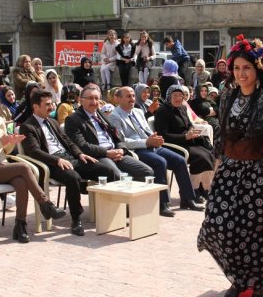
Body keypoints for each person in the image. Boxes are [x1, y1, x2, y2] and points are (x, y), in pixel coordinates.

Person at [197, 35, 263, 297]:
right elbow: (222, 141)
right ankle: (237, 278)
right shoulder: (227, 97)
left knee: (256, 231)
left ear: (258, 69)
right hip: (229, 171)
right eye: (236, 68)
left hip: (258, 175)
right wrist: (216, 174)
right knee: (219, 225)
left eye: (246, 68)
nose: (241, 73)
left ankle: (258, 284)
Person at [0, 88, 67, 243]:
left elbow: (4, 151)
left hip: (2, 164)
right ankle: (45, 204)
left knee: (21, 182)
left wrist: (9, 143)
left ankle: (20, 226)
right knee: (24, 168)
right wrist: (0, 143)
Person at [20, 90, 116, 236]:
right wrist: (57, 160)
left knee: (107, 171)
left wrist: (80, 154)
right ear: (35, 106)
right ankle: (76, 219)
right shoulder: (27, 126)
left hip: (70, 158)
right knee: (73, 177)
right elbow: (35, 152)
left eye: (52, 103)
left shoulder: (53, 121)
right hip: (51, 163)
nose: (51, 107)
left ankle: (110, 212)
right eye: (47, 105)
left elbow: (68, 142)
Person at [109, 87, 204, 215]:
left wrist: (155, 138)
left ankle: (187, 199)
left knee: (179, 160)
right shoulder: (114, 116)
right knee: (160, 162)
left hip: (152, 145)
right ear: (118, 99)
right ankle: (161, 203)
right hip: (137, 150)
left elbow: (147, 131)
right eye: (128, 96)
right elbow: (121, 141)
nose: (132, 99)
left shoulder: (137, 111)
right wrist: (146, 142)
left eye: (132, 96)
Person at [64, 84, 153, 181]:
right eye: (90, 98)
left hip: (116, 153)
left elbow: (117, 135)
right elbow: (82, 145)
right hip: (99, 155)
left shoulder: (101, 114)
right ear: (81, 100)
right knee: (119, 176)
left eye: (96, 98)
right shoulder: (73, 120)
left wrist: (121, 149)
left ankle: (134, 195)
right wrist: (106, 153)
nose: (94, 102)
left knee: (147, 171)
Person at [154, 85, 216, 199]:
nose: (178, 98)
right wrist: (185, 137)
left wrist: (192, 130)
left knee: (210, 153)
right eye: (175, 96)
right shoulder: (162, 112)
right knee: (200, 157)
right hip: (173, 145)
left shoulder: (182, 108)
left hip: (187, 142)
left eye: (180, 96)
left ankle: (204, 188)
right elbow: (163, 135)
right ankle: (194, 190)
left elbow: (189, 124)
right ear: (168, 96)